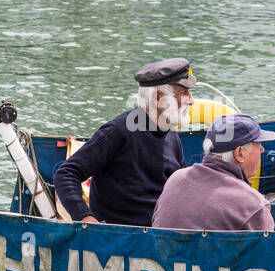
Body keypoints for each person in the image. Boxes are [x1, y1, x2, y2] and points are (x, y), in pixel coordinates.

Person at [53, 59, 194, 227]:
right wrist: (85, 218)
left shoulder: (172, 137)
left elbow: (179, 192)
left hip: (159, 236)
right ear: (158, 98)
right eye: (184, 92)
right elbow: (66, 174)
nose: (191, 100)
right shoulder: (118, 131)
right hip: (119, 239)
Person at [152, 114, 275, 232]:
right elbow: (266, 253)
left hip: (162, 254)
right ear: (240, 153)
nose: (262, 150)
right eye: (258, 145)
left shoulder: (175, 180)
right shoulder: (254, 206)